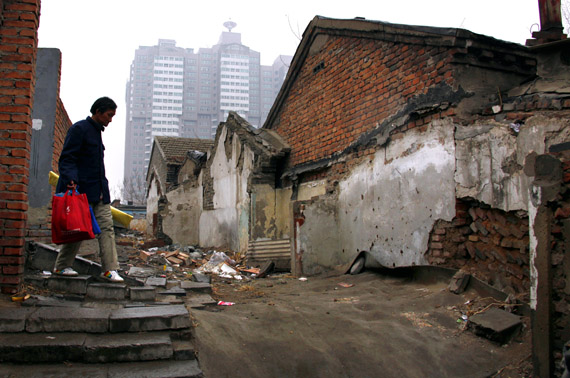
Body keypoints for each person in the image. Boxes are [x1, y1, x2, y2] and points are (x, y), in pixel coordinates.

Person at [53, 97, 124, 283]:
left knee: (107, 228)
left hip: (99, 192)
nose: (110, 120)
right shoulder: (79, 129)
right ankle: (61, 266)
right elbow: (67, 158)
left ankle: (110, 269)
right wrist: (71, 179)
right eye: (109, 115)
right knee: (77, 229)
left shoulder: (96, 133)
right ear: (98, 111)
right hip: (81, 191)